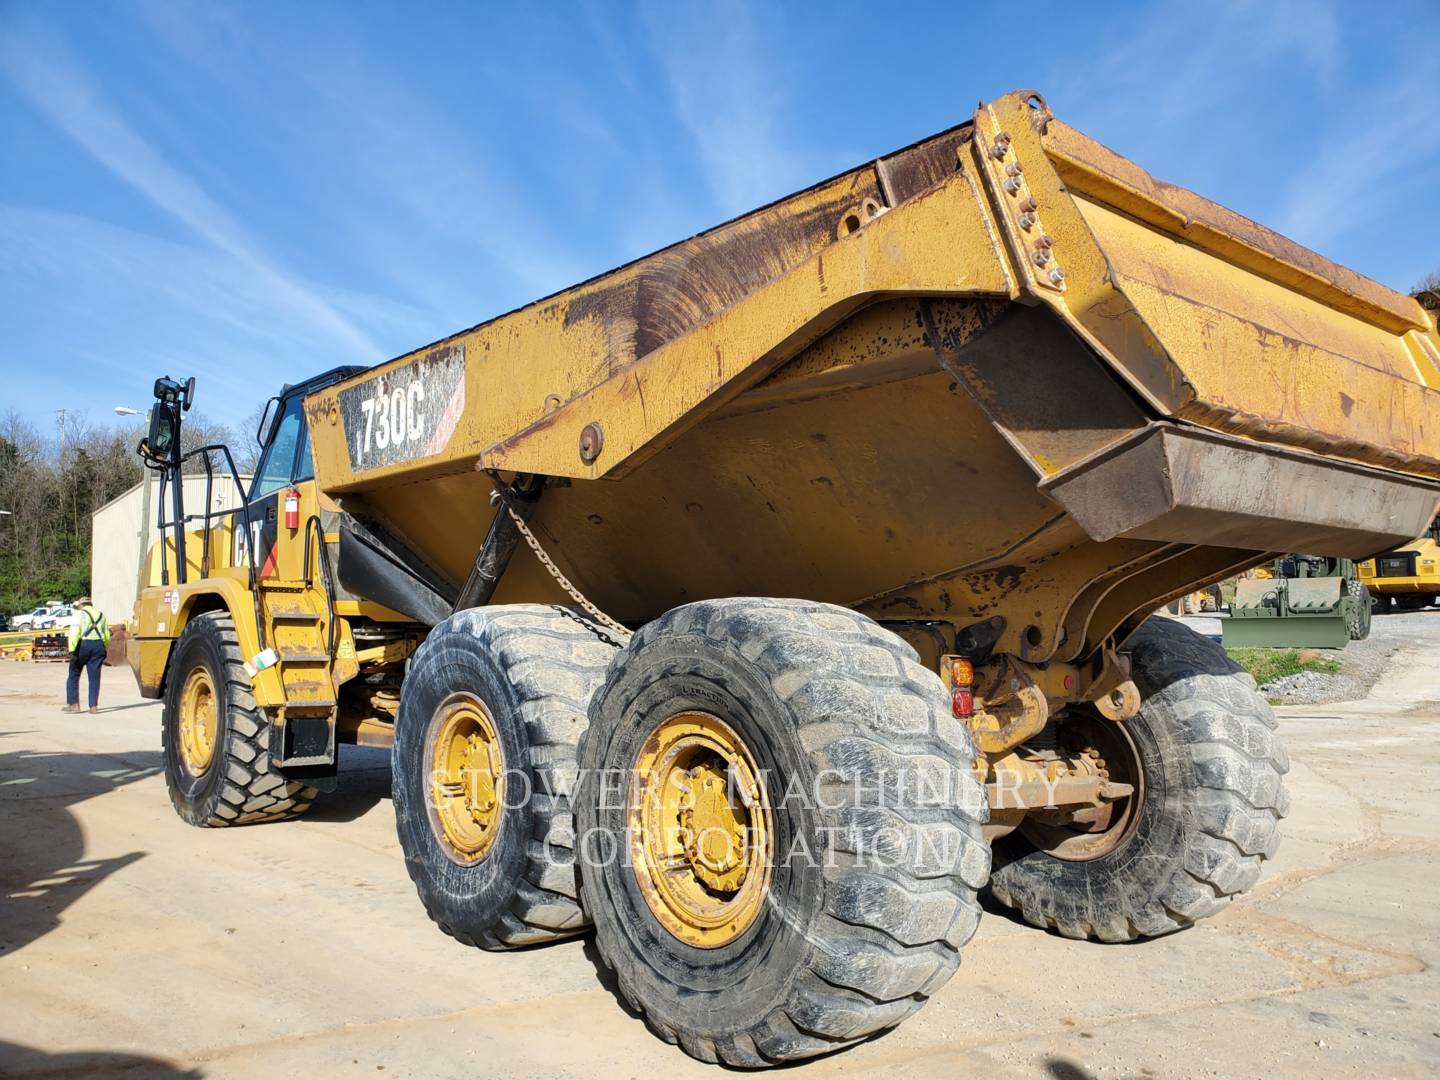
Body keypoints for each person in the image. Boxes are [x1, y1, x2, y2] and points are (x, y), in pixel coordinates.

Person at [63, 596, 110, 714]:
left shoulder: (79, 614)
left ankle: (74, 704)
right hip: (98, 646)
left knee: (74, 674)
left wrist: (72, 650)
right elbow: (106, 634)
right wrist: (105, 647)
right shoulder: (101, 615)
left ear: (81, 605)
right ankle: (93, 706)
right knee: (94, 677)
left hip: (83, 645)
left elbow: (74, 632)